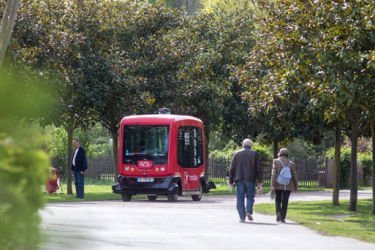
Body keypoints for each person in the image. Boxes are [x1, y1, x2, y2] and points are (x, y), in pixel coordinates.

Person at [229, 138, 262, 223]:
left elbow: (232, 168)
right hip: (251, 179)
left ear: (243, 145)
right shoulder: (255, 154)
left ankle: (242, 217)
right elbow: (259, 168)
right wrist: (259, 181)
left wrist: (230, 181)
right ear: (251, 145)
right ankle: (248, 211)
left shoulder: (237, 153)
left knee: (240, 198)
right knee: (250, 196)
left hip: (239, 179)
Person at [271, 148, 298, 223]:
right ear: (287, 154)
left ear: (280, 153)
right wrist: (296, 186)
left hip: (278, 184)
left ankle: (278, 212)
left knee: (278, 200)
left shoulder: (276, 161)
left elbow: (273, 174)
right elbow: (294, 175)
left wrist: (272, 184)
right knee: (285, 201)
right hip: (288, 184)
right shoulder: (292, 164)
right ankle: (283, 218)